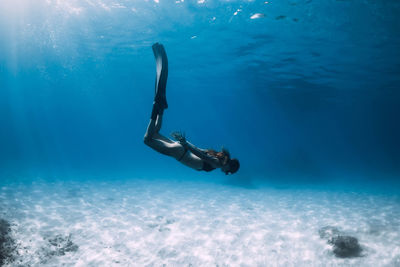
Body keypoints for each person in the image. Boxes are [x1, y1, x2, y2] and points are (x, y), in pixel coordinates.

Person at [144, 43, 240, 175]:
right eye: (229, 172)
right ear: (229, 166)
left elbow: (200, 151)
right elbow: (201, 155)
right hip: (179, 151)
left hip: (181, 149)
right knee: (147, 139)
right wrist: (185, 143)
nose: (226, 173)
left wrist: (185, 143)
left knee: (154, 134)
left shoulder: (217, 156)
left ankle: (161, 109)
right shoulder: (217, 163)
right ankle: (156, 107)